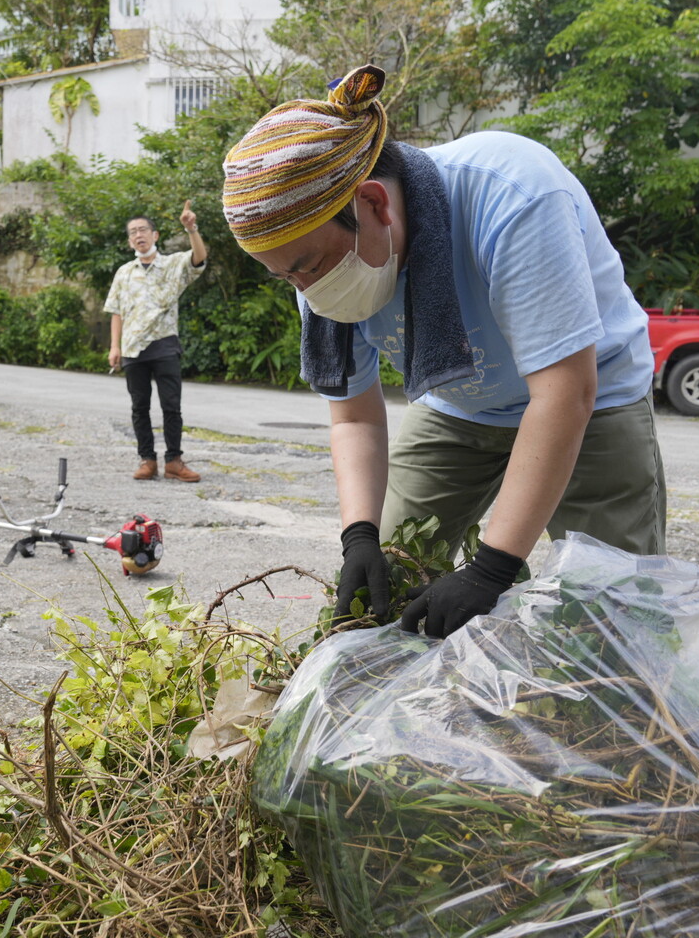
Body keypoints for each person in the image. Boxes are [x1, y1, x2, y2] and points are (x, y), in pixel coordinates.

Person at [221, 64, 665, 638]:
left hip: (594, 398)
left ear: (374, 205)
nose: (304, 290)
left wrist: (493, 566)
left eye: (306, 266)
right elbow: (354, 416)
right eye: (284, 277)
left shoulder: (512, 193)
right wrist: (359, 534)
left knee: (612, 615)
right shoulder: (314, 262)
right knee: (386, 590)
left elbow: (564, 394)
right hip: (458, 404)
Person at [104, 201, 209, 482]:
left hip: (164, 344)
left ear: (155, 235)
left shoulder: (173, 264)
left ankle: (174, 460)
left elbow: (199, 257)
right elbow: (116, 311)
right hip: (132, 348)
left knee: (171, 406)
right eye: (133, 232)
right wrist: (114, 346)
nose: (138, 235)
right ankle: (146, 460)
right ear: (129, 241)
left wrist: (191, 229)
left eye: (143, 230)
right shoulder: (124, 272)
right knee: (139, 407)